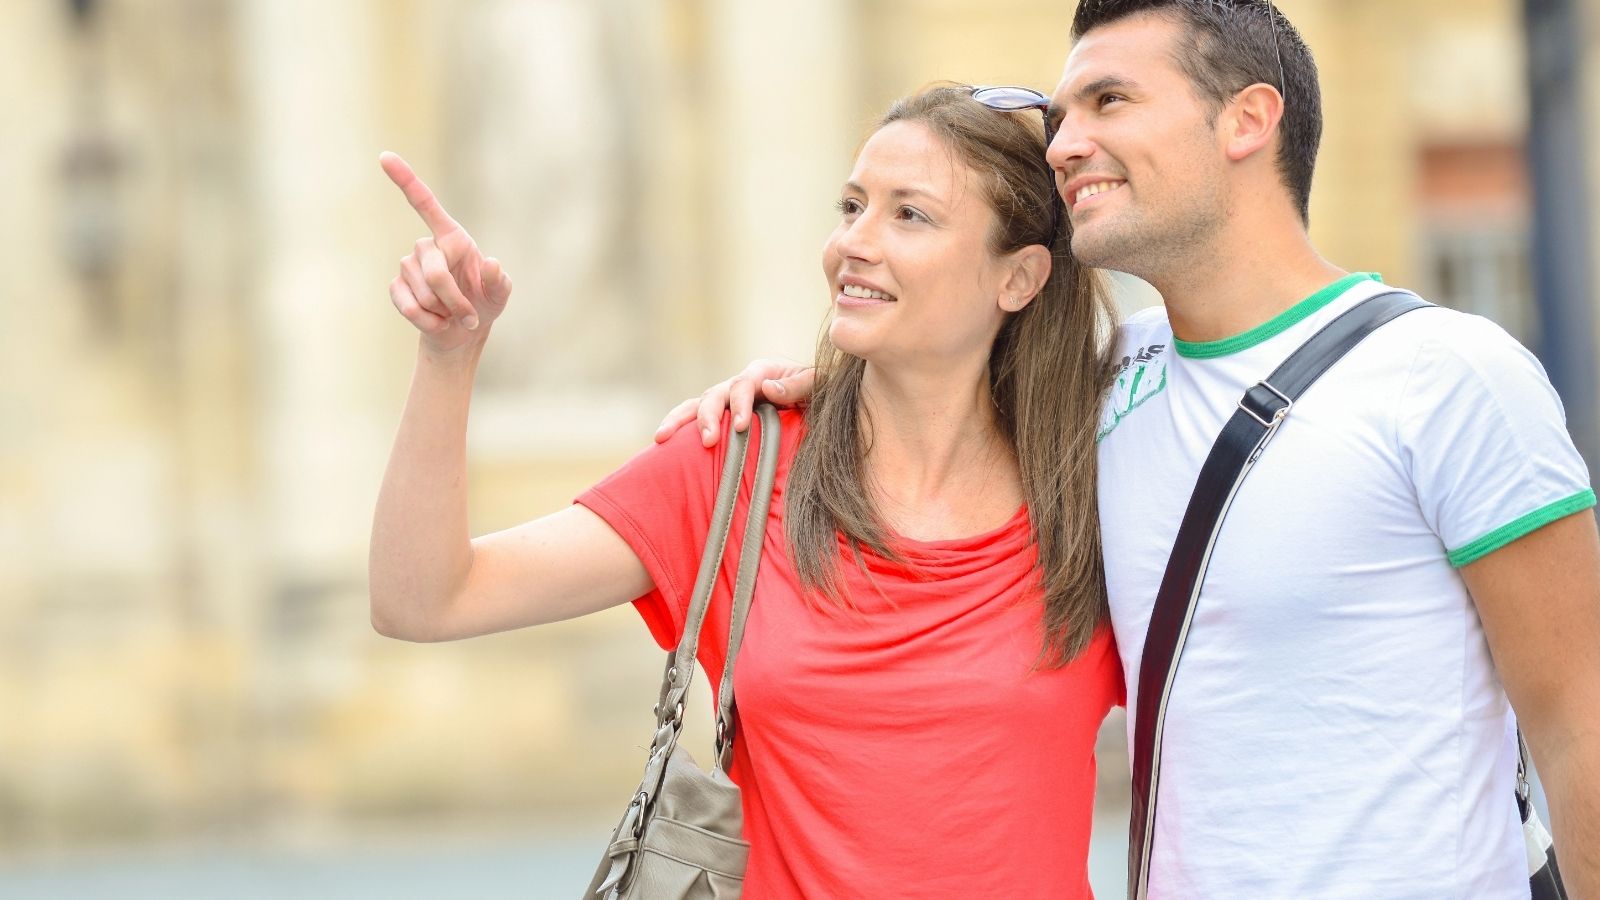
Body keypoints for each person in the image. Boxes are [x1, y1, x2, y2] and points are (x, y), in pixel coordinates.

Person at [663, 1, 1600, 897]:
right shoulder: (1102, 388)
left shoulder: (1448, 375)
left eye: (1109, 101)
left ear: (1247, 120)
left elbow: (1579, 730)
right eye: (1064, 114)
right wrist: (811, 393)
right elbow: (940, 392)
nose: (1067, 144)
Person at [369, 84, 1125, 898]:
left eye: (910, 215)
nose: (853, 244)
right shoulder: (733, 464)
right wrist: (450, 356)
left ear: (1019, 278)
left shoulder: (1105, 484)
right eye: (851, 206)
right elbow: (424, 599)